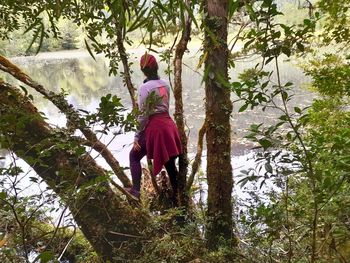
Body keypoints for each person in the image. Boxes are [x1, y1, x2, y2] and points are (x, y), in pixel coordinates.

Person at [127, 53, 182, 205]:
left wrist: (137, 136)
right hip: (169, 127)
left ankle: (136, 191)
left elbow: (143, 115)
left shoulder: (144, 88)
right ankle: (179, 200)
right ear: (156, 67)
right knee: (170, 165)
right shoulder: (165, 84)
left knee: (134, 156)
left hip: (156, 129)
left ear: (142, 70)